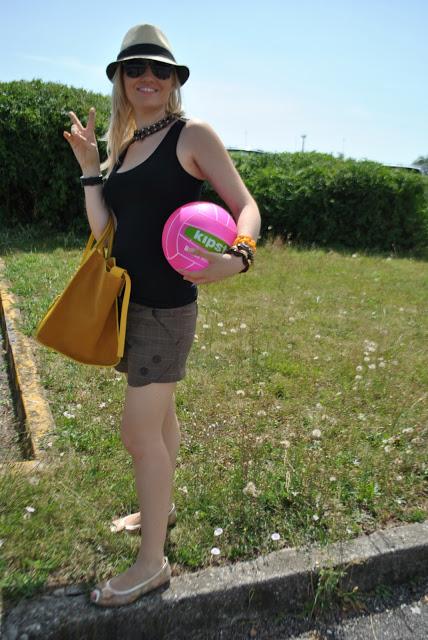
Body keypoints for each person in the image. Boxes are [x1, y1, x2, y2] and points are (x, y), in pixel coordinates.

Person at [63, 23, 261, 608]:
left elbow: (246, 205)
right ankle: (162, 509)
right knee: (163, 417)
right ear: (120, 80)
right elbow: (105, 230)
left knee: (138, 432)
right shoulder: (126, 148)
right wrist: (89, 164)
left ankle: (152, 564)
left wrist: (239, 257)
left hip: (166, 306)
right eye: (135, 69)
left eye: (160, 70)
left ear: (175, 80)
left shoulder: (191, 134)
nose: (148, 77)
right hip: (131, 301)